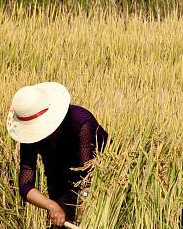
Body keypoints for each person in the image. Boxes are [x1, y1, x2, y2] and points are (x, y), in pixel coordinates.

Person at [7, 82, 108, 227]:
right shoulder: (30, 137)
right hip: (59, 180)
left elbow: (89, 175)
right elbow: (25, 185)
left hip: (101, 182)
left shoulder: (81, 123)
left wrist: (84, 205)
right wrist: (51, 205)